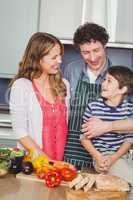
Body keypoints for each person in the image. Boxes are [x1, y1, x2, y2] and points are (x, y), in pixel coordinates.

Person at [64, 22, 133, 170]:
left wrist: (106, 127)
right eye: (86, 52)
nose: (93, 57)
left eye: (96, 50)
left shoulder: (120, 76)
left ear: (105, 46)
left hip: (108, 156)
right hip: (73, 151)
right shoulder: (71, 70)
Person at [9, 32, 70, 161]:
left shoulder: (64, 85)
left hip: (61, 164)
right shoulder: (22, 86)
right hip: (34, 164)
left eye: (60, 56)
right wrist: (48, 162)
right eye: (54, 57)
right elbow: (20, 132)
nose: (60, 61)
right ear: (38, 58)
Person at [81, 66, 133, 184]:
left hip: (121, 157)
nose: (103, 84)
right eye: (104, 79)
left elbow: (130, 139)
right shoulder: (93, 107)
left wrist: (114, 158)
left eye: (109, 81)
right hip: (103, 157)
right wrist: (98, 157)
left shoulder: (129, 109)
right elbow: (84, 138)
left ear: (122, 89)